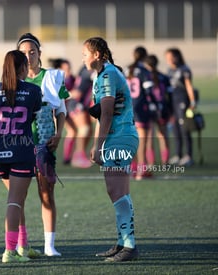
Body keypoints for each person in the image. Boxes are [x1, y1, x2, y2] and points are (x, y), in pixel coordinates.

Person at [0, 50, 42, 263]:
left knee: (17, 199)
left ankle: (23, 246)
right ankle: (10, 251)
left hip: (1, 151)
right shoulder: (33, 90)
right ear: (23, 68)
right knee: (15, 200)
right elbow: (34, 119)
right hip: (23, 150)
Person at [83, 37, 139, 262]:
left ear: (97, 54)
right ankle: (123, 243)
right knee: (119, 192)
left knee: (116, 192)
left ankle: (129, 246)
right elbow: (103, 112)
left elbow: (106, 114)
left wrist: (98, 146)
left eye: (85, 53)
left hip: (120, 137)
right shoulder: (105, 74)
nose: (83, 58)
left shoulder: (107, 75)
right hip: (121, 137)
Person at [17, 33, 70, 256]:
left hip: (44, 145)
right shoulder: (13, 81)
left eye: (32, 52)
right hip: (19, 145)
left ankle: (49, 245)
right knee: (17, 196)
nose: (28, 56)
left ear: (40, 53)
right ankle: (21, 243)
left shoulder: (54, 77)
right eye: (23, 53)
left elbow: (61, 110)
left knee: (46, 193)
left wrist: (59, 134)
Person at [49, 58, 93, 168]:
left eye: (69, 69)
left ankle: (69, 158)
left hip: (69, 107)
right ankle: (68, 157)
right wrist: (68, 95)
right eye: (66, 69)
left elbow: (78, 89)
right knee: (72, 131)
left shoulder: (72, 78)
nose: (68, 71)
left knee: (73, 131)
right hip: (60, 109)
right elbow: (57, 95)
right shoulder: (56, 80)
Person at [165, 48, 197, 167]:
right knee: (175, 129)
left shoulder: (184, 70)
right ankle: (178, 155)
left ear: (177, 57)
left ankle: (188, 155)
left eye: (171, 57)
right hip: (172, 103)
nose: (169, 60)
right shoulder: (169, 71)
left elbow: (189, 86)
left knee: (185, 129)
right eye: (167, 57)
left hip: (183, 102)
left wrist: (193, 101)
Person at [125, 46, 153, 180]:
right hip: (140, 108)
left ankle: (132, 169)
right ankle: (142, 170)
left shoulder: (127, 70)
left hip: (127, 108)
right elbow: (149, 91)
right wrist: (154, 105)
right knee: (142, 141)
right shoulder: (144, 71)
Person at [64, 64, 94, 168]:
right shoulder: (88, 70)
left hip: (82, 104)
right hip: (76, 104)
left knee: (89, 130)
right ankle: (77, 157)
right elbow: (77, 93)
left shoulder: (84, 69)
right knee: (83, 129)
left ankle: (79, 155)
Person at [143, 54, 171, 165]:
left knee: (149, 137)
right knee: (163, 136)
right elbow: (169, 95)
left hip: (149, 109)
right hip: (162, 109)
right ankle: (166, 162)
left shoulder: (145, 76)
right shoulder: (164, 77)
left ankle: (151, 163)